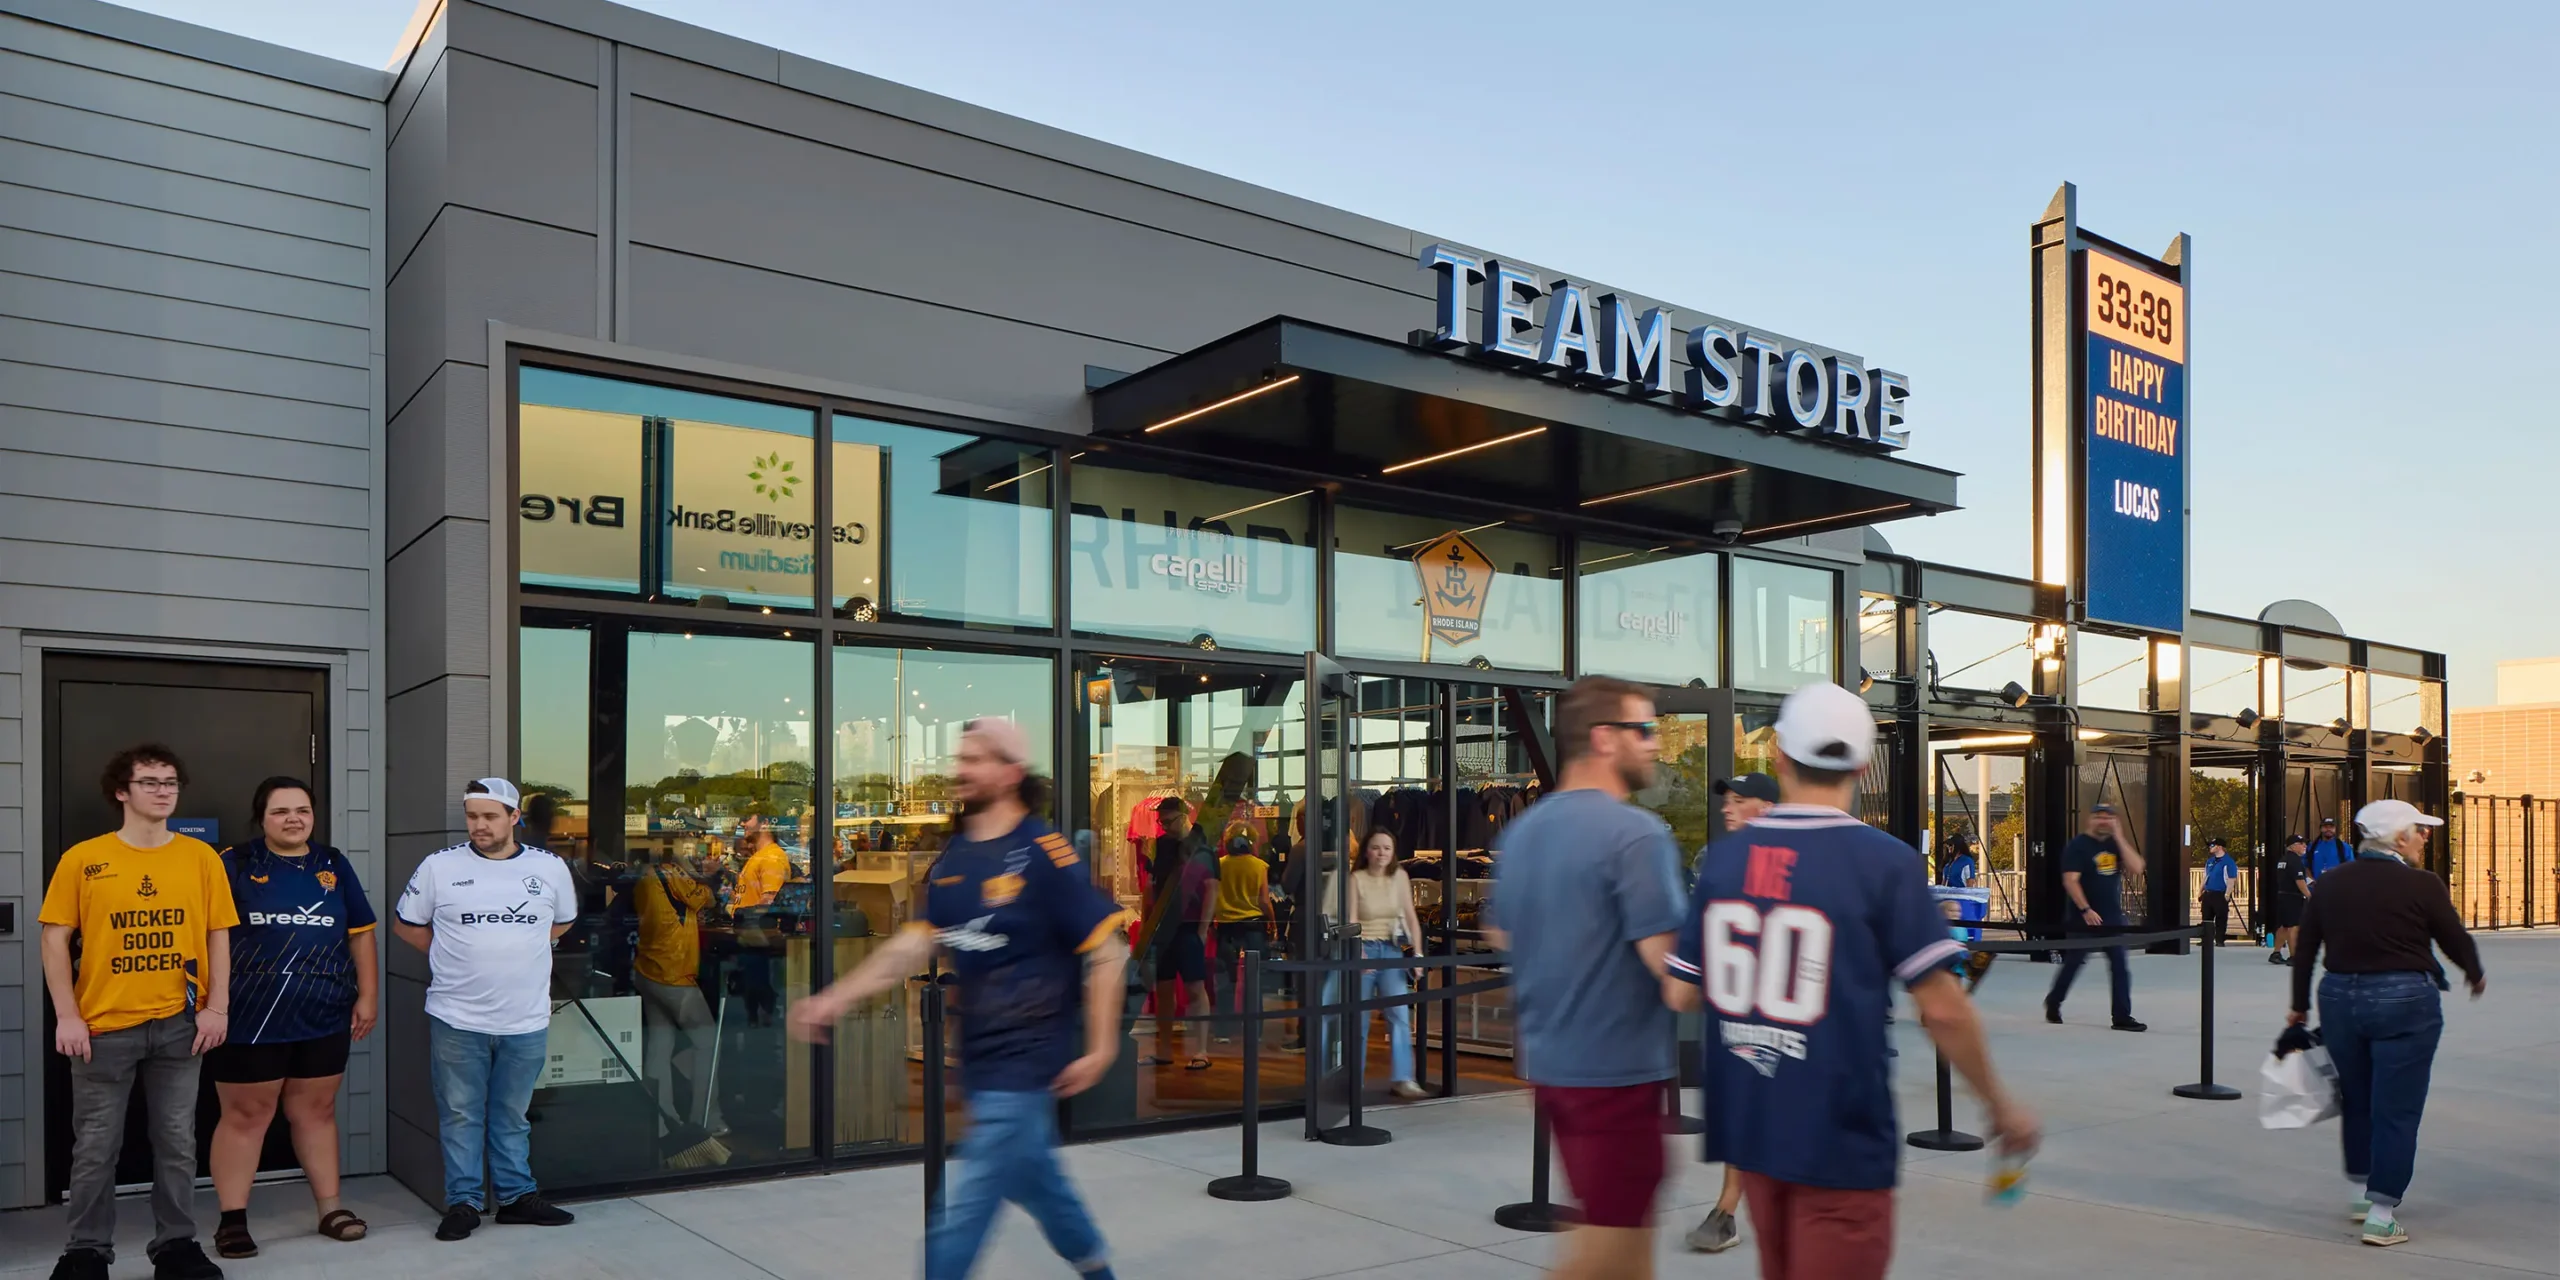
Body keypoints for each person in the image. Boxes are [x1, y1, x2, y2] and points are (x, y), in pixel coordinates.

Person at [1664, 683, 2039, 1280]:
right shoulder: (1885, 864)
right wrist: (2000, 1104)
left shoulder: (1726, 861)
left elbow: (1680, 992)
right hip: (1840, 1135)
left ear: (1780, 757)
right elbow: (1942, 1008)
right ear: (1862, 766)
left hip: (1754, 1128)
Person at [791, 718, 1130, 1280]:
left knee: (965, 1210)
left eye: (976, 759)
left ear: (1010, 772)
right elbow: (911, 946)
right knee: (1037, 1181)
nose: (962, 768)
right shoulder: (956, 858)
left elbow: (1109, 952)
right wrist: (836, 997)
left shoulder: (1045, 852)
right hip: (977, 1062)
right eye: (962, 757)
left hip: (1026, 1063)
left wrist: (1099, 1050)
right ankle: (1097, 1266)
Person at [1488, 676, 1686, 1280]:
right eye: (1645, 729)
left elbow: (1503, 936)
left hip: (1552, 1069)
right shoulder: (1637, 835)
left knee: (1624, 1235)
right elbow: (1675, 973)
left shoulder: (1522, 834)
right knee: (1608, 1240)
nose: (1657, 744)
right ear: (1605, 738)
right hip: (1615, 1076)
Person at [40, 745, 237, 1280]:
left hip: (180, 1024)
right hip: (103, 1027)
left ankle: (175, 1246)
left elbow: (218, 934)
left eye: (171, 781)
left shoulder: (200, 859)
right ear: (121, 792)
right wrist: (67, 1015)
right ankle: (85, 1251)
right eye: (149, 781)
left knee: (176, 1143)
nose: (163, 790)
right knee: (96, 1148)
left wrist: (216, 1006)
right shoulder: (83, 859)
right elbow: (54, 939)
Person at [2288, 799, 2484, 1249]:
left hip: (2339, 997)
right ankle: (2381, 1213)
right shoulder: (2422, 884)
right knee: (2396, 1107)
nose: (2425, 836)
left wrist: (2299, 1005)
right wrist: (2473, 971)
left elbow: (2307, 948)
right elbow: (2452, 936)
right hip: (2404, 1000)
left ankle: (2360, 1193)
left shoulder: (2331, 883)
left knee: (2355, 1097)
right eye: (2419, 829)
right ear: (2399, 839)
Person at [393, 778, 579, 1242]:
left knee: (512, 1114)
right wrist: (454, 955)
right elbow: (407, 926)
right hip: (458, 1017)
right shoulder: (440, 866)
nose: (479, 825)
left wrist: (513, 949)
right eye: (472, 816)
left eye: (490, 816)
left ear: (515, 817)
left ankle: (516, 1198)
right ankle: (464, 1202)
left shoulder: (550, 867)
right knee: (460, 1114)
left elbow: (563, 922)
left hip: (526, 1018)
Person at [208, 777, 379, 1257]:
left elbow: (361, 933)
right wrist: (209, 1003)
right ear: (261, 817)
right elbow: (207, 934)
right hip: (249, 1016)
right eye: (281, 811)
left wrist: (368, 996)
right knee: (246, 1117)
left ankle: (330, 1208)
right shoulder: (234, 863)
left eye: (302, 810)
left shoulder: (333, 863)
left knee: (317, 1112)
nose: (293, 819)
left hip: (323, 1012)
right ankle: (232, 1220)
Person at [1684, 773, 1778, 1256]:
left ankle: (1732, 1209)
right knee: (1743, 1111)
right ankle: (1728, 1209)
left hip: (1782, 1014)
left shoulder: (1794, 862)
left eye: (1739, 801)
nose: (1727, 807)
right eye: (1727, 800)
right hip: (1739, 1011)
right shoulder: (1717, 862)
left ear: (1767, 806)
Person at [630, 839, 727, 1166]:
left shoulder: (644, 878)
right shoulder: (671, 875)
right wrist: (708, 879)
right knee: (706, 1042)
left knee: (660, 1043)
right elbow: (706, 899)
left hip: (648, 969)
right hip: (674, 975)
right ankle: (705, 1120)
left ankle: (660, 1120)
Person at [2044, 803, 2147, 1032]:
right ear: (2090, 819)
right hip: (2084, 918)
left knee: (2120, 966)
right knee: (2073, 963)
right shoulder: (2078, 846)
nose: (2103, 821)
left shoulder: (2114, 844)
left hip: (2112, 918)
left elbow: (2138, 867)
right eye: (2099, 816)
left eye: (2108, 817)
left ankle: (2121, 1016)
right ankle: (2054, 1001)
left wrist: (2120, 837)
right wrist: (2085, 909)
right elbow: (2071, 880)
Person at [1349, 830, 1428, 1100]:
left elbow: (1410, 917)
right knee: (1358, 1020)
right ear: (1366, 851)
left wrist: (1417, 954)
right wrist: (1358, 953)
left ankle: (1403, 1078)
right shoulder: (1356, 879)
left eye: (1387, 847)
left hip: (1392, 950)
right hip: (1366, 950)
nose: (1382, 852)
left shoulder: (1400, 877)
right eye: (1376, 847)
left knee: (1399, 1016)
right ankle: (1352, 1079)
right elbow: (1351, 921)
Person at [1142, 797, 1216, 1070]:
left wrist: (1202, 929)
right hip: (1164, 928)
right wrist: (1148, 923)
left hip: (1188, 926)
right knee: (1163, 990)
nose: (1164, 827)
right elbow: (1151, 887)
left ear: (1185, 815)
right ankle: (1164, 1050)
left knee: (1196, 987)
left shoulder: (1201, 846)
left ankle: (1201, 1050)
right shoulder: (1160, 846)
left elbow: (1212, 888)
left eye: (1169, 821)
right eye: (1161, 822)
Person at [729, 810, 791, 1026]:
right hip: (750, 936)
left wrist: (744, 915)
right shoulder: (759, 857)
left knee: (757, 988)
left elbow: (770, 900)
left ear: (765, 823)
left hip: (758, 938)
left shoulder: (772, 857)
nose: (743, 822)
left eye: (749, 818)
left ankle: (765, 1017)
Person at [1213, 833, 1274, 1037]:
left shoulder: (1219, 864)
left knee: (1225, 979)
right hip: (1253, 925)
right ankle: (1254, 1030)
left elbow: (1212, 895)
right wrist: (1272, 922)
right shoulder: (1259, 866)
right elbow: (1264, 900)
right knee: (1254, 978)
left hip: (1226, 924)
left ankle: (1223, 1031)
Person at [2266, 835, 2312, 964]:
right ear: (2292, 846)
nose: (2304, 846)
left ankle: (2276, 953)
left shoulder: (2283, 860)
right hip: (2293, 897)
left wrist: (2312, 882)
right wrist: (2309, 896)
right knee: (2294, 926)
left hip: (2282, 895)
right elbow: (2300, 881)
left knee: (2283, 926)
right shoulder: (2295, 861)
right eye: (2301, 844)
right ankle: (2294, 956)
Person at [2199, 838, 2239, 945]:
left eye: (2212, 846)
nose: (2210, 848)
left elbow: (2231, 879)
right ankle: (2206, 939)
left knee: (2221, 918)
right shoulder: (2210, 861)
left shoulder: (2228, 862)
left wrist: (2227, 893)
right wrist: (2200, 891)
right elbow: (2205, 876)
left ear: (2220, 847)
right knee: (2206, 917)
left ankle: (2219, 939)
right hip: (2208, 893)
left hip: (2220, 893)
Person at [2306, 816, 2354, 884]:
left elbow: (2350, 868)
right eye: (2325, 827)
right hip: (2316, 887)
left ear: (2335, 829)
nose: (2328, 829)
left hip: (2337, 887)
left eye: (2331, 827)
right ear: (2320, 829)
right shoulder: (2311, 846)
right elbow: (2305, 866)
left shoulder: (2344, 847)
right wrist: (2312, 882)